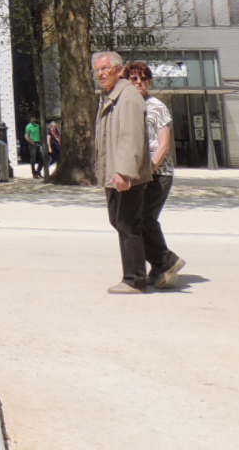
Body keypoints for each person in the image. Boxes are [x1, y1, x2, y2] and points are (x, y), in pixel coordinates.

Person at [92, 50, 154, 293]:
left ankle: (134, 279)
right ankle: (163, 262)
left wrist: (124, 172)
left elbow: (131, 138)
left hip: (125, 175)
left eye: (105, 69)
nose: (101, 73)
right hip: (114, 172)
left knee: (128, 224)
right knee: (119, 221)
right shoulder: (110, 97)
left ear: (119, 70)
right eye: (98, 70)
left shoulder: (127, 97)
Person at [125, 62, 184, 289]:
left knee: (144, 218)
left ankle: (166, 261)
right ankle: (160, 266)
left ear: (149, 81)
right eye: (134, 79)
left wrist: (150, 169)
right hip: (138, 174)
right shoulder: (130, 106)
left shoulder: (157, 107)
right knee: (137, 220)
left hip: (158, 174)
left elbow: (164, 145)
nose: (139, 82)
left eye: (143, 78)